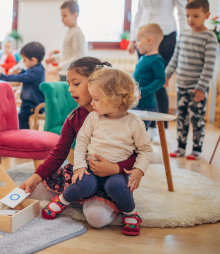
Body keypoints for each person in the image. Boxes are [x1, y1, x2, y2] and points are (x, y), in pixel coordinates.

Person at [20, 57, 138, 229]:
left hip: (112, 178)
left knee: (96, 219)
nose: (70, 89)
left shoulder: (121, 117)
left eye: (76, 83)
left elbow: (136, 155)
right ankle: (80, 196)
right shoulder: (74, 117)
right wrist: (36, 177)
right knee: (32, 192)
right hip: (84, 177)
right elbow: (59, 153)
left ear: (96, 83)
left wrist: (115, 169)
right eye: (69, 84)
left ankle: (112, 203)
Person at [41, 66, 152, 236]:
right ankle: (63, 200)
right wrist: (79, 166)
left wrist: (139, 170)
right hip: (90, 168)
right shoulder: (94, 117)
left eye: (96, 99)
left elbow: (145, 150)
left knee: (117, 186)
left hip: (116, 172)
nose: (92, 104)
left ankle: (131, 213)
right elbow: (82, 143)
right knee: (84, 184)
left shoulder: (134, 122)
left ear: (116, 99)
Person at [128, 0, 188, 144]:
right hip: (144, 37)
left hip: (166, 36)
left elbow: (182, 11)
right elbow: (138, 12)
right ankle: (143, 125)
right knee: (143, 79)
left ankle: (160, 128)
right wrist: (132, 39)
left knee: (160, 82)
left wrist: (185, 38)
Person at [165, 0, 218, 160]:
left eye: (195, 16)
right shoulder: (184, 35)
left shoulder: (210, 37)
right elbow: (175, 58)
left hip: (197, 88)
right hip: (182, 85)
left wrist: (202, 87)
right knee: (181, 117)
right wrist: (166, 74)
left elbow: (209, 65)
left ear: (206, 15)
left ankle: (196, 149)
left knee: (197, 119)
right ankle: (180, 146)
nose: (190, 20)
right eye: (188, 16)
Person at [0, 42, 45, 129]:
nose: (23, 62)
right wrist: (21, 70)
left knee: (21, 118)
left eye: (24, 60)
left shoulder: (36, 71)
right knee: (19, 116)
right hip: (29, 103)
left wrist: (4, 76)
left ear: (33, 60)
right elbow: (27, 74)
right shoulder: (36, 69)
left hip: (34, 105)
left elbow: (22, 78)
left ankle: (26, 135)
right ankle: (24, 134)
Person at [132, 23, 166, 130]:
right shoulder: (143, 58)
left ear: (149, 41)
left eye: (138, 40)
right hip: (136, 103)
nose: (136, 44)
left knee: (140, 133)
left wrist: (143, 91)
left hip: (146, 105)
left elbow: (160, 80)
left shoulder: (157, 60)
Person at [45, 0, 86, 81]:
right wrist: (54, 58)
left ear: (75, 15)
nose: (62, 19)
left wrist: (59, 67)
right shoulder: (68, 30)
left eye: (65, 16)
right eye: (61, 16)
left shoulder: (77, 33)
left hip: (72, 74)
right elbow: (67, 54)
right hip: (65, 72)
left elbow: (78, 57)